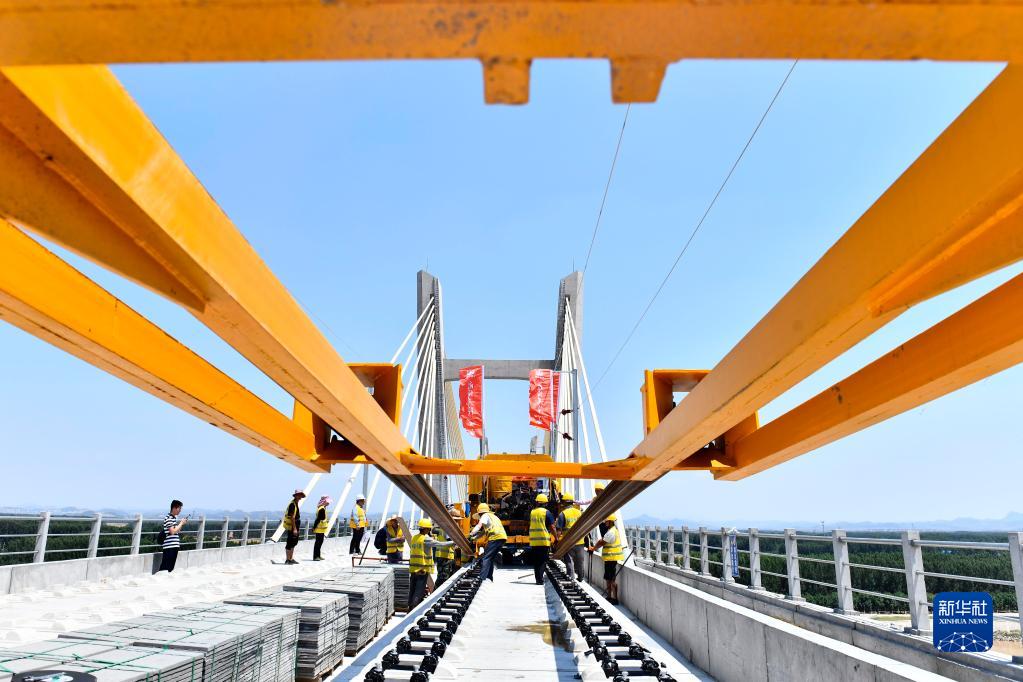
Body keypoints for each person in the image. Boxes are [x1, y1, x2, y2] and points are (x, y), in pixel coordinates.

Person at [408, 518, 455, 609]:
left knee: (412, 589)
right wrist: (454, 542)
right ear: (425, 529)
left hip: (413, 568)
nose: (429, 530)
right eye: (429, 528)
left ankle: (410, 607)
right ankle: (415, 608)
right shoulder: (425, 539)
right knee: (419, 590)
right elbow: (440, 544)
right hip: (422, 569)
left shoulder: (414, 538)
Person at [588, 514, 624, 604]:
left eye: (606, 521)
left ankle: (615, 599)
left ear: (610, 522)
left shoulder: (611, 532)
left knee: (612, 579)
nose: (605, 523)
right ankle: (609, 597)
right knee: (608, 578)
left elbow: (602, 542)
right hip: (609, 558)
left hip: (611, 558)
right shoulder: (612, 530)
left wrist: (593, 548)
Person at [467, 503, 507, 581]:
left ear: (480, 513)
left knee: (486, 558)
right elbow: (483, 532)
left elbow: (479, 526)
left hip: (495, 537)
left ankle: (482, 578)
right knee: (490, 558)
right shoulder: (493, 517)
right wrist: (474, 538)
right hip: (502, 538)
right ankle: (489, 577)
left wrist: (471, 534)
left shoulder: (485, 516)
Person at [528, 493, 558, 585]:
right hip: (543, 541)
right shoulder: (546, 512)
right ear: (545, 503)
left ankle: (538, 579)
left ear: (537, 502)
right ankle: (540, 580)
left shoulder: (532, 512)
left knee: (536, 561)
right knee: (542, 561)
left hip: (534, 541)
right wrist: (556, 538)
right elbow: (552, 527)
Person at [556, 492, 587, 581]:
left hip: (568, 542)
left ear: (564, 502)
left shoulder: (563, 514)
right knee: (580, 561)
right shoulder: (579, 512)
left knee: (569, 561)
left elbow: (559, 530)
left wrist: (558, 541)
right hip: (580, 541)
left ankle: (571, 578)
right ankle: (580, 577)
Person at [159, 500, 188, 572]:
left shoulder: (173, 518)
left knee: (170, 568)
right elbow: (172, 531)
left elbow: (177, 531)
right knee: (165, 568)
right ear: (174, 508)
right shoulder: (169, 518)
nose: (180, 510)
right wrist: (181, 523)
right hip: (169, 546)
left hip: (173, 546)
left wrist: (182, 524)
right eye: (179, 508)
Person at [433, 509, 458, 587]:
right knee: (443, 578)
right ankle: (436, 592)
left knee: (443, 576)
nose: (457, 522)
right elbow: (450, 541)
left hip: (444, 556)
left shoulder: (444, 526)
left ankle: (436, 591)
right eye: (456, 520)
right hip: (444, 557)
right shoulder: (448, 528)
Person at [283, 489, 305, 565]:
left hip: (295, 526)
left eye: (301, 495)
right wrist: (295, 529)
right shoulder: (292, 504)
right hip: (292, 526)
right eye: (299, 495)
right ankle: (287, 559)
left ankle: (291, 558)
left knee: (294, 542)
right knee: (290, 542)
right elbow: (292, 517)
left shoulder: (295, 503)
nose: (300, 497)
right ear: (296, 496)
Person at [313, 496, 331, 561]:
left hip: (321, 529)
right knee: (318, 543)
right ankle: (315, 557)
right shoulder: (322, 509)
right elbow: (318, 519)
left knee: (320, 543)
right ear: (324, 501)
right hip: (319, 529)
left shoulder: (322, 508)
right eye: (328, 502)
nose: (329, 503)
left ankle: (318, 555)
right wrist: (314, 527)